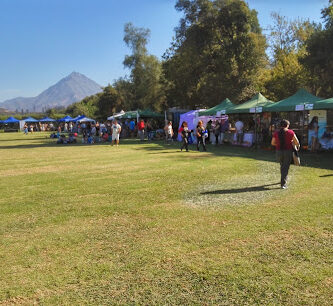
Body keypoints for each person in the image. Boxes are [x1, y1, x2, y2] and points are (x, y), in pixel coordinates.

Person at [271, 119, 300, 189]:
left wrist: (278, 143)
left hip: (278, 151)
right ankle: (283, 184)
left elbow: (272, 143)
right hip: (288, 151)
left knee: (282, 166)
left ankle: (282, 179)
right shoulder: (291, 132)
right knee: (285, 167)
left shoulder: (276, 133)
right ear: (287, 125)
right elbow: (297, 143)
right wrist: (292, 142)